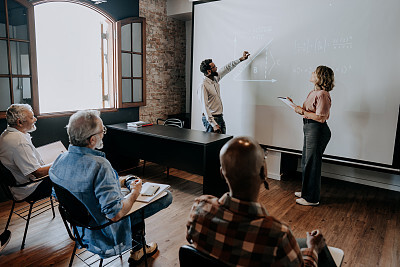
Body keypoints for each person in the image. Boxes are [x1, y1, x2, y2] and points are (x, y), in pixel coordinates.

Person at [187, 136, 333, 266]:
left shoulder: (200, 207)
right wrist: (312, 248)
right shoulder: (278, 236)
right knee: (320, 249)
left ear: (222, 173)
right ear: (264, 172)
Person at [49, 110, 173, 263]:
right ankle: (139, 248)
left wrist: (120, 181)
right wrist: (134, 192)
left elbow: (58, 194)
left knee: (128, 195)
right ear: (92, 140)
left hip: (80, 227)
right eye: (102, 131)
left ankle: (139, 246)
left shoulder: (59, 160)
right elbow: (115, 215)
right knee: (166, 197)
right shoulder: (100, 165)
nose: (104, 134)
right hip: (104, 230)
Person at [288, 66, 334, 206]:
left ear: (320, 76)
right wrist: (293, 105)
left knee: (312, 164)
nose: (312, 73)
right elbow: (306, 111)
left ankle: (311, 198)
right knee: (306, 162)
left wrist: (300, 111)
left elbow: (321, 118)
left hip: (317, 130)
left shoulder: (323, 94)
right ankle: (306, 191)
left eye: (315, 72)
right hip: (309, 128)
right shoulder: (314, 92)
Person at [0, 104, 53, 202]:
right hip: (29, 189)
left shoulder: (5, 134)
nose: (35, 119)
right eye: (32, 117)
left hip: (15, 186)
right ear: (19, 122)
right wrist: (61, 162)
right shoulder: (19, 142)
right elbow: (38, 173)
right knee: (68, 173)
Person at [198, 51, 250, 134]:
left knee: (222, 143)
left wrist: (241, 59)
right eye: (214, 67)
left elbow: (227, 68)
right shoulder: (203, 85)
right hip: (212, 119)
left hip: (219, 117)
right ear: (208, 71)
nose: (216, 68)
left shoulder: (215, 78)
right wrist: (213, 124)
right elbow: (205, 107)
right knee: (213, 145)